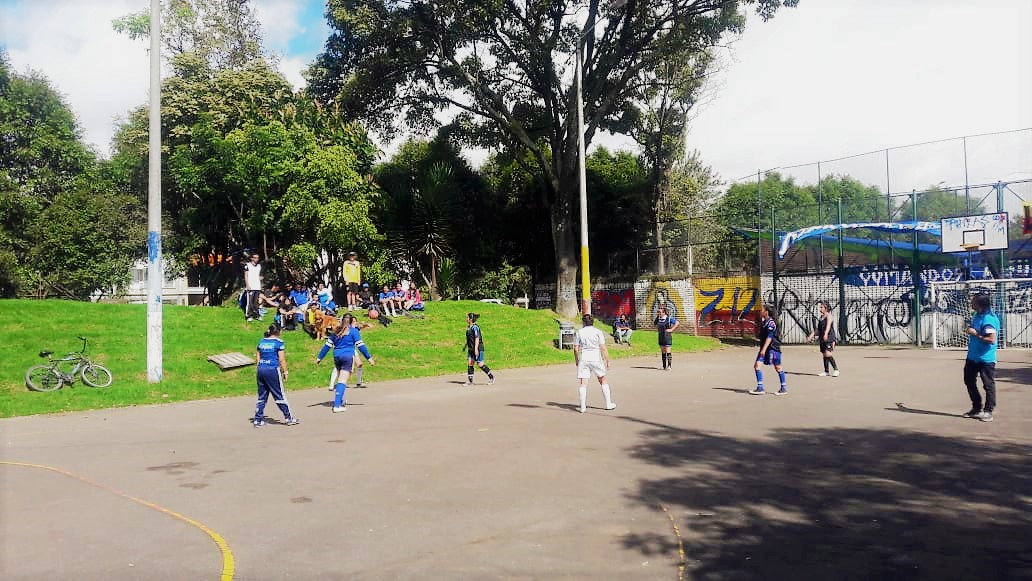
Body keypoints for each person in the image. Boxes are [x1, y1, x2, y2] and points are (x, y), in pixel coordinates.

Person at [316, 313, 375, 413]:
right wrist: (369, 358)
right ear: (352, 322)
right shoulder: (353, 332)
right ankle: (337, 405)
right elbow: (361, 346)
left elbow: (327, 345)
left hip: (337, 357)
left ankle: (339, 400)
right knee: (342, 381)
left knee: (340, 379)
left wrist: (319, 357)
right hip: (347, 356)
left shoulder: (336, 331)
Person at [252, 324, 298, 427]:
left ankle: (257, 419)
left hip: (261, 369)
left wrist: (260, 367)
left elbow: (258, 357)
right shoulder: (278, 343)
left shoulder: (262, 342)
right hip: (272, 369)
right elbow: (281, 359)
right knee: (279, 394)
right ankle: (288, 418)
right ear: (278, 331)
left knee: (262, 395)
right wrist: (285, 371)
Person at [962, 293, 999, 422]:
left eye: (973, 301)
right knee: (968, 380)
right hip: (972, 356)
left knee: (988, 384)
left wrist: (976, 334)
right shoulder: (976, 315)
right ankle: (976, 407)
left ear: (980, 305)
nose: (971, 303)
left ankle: (988, 411)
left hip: (985, 359)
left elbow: (991, 339)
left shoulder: (988, 320)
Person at [574, 314, 616, 413]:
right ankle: (608, 403)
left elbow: (576, 348)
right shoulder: (597, 332)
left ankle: (582, 407)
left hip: (584, 358)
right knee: (603, 380)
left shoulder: (579, 332)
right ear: (593, 322)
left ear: (583, 322)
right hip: (596, 358)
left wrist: (577, 360)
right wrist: (607, 360)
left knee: (583, 383)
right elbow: (603, 347)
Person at [750, 304, 787, 395]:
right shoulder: (764, 322)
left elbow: (769, 338)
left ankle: (783, 388)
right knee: (757, 366)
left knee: (778, 367)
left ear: (766, 312)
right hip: (764, 348)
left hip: (772, 349)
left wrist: (763, 350)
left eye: (762, 310)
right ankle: (760, 387)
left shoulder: (771, 323)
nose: (760, 311)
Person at [806, 301, 840, 377]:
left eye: (821, 307)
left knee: (828, 353)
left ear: (826, 308)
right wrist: (811, 336)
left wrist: (825, 334)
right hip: (822, 338)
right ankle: (826, 371)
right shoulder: (821, 318)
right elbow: (818, 329)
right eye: (820, 307)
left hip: (829, 338)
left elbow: (828, 326)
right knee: (824, 354)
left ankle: (836, 370)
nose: (820, 308)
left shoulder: (829, 316)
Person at [465, 312, 496, 385]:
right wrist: (465, 346)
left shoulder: (475, 327)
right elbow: (469, 339)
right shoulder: (468, 327)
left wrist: (476, 349)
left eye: (467, 317)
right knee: (470, 363)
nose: (466, 319)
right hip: (471, 348)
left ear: (470, 319)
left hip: (478, 347)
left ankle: (491, 377)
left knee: (480, 364)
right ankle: (470, 381)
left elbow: (477, 338)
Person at [243, 253, 262, 321]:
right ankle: (249, 315)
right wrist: (247, 285)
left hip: (257, 286)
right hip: (251, 286)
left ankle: (256, 315)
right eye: (255, 257)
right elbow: (246, 275)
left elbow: (259, 275)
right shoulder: (247, 265)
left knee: (256, 302)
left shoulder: (259, 266)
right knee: (250, 302)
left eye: (257, 257)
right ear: (252, 258)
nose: (256, 259)